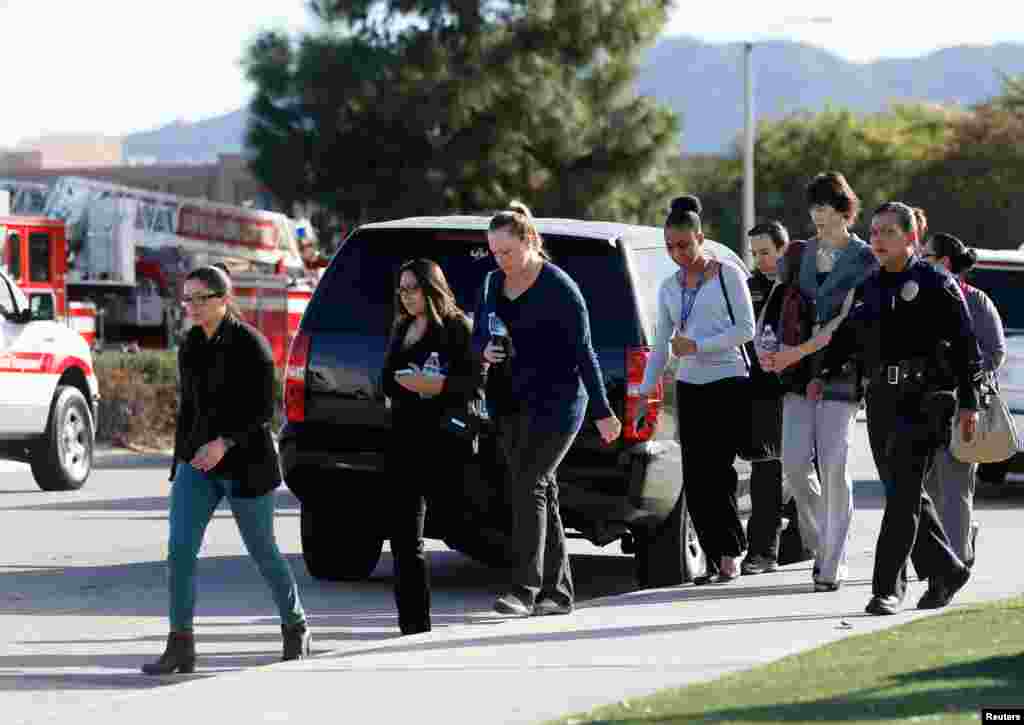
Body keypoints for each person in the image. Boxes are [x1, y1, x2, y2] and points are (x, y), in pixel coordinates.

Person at [143, 266, 309, 675]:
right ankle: (180, 644)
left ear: (224, 298)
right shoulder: (190, 344)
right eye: (188, 298)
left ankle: (295, 625)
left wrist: (225, 443)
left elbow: (262, 412)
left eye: (201, 297)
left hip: (245, 464)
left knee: (262, 550)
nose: (193, 306)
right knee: (180, 551)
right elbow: (189, 409)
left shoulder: (250, 344)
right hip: (197, 464)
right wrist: (181, 459)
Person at [819, 201, 980, 615]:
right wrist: (821, 373)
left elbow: (966, 346)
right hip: (882, 403)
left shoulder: (936, 283)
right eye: (874, 232)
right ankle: (947, 568)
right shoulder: (869, 286)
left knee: (902, 495)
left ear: (911, 238)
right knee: (903, 493)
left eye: (889, 232)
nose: (878, 239)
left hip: (927, 400)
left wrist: (969, 402)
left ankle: (887, 588)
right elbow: (847, 337)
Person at [474, 202, 621, 617]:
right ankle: (558, 594)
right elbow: (476, 335)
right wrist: (483, 348)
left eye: (507, 251)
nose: (499, 260)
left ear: (529, 241)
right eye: (494, 252)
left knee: (530, 485)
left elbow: (585, 352)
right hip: (509, 400)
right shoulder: (490, 284)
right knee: (542, 491)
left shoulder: (559, 286)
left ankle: (524, 589)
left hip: (558, 404)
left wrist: (603, 410)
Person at [761, 172, 879, 592]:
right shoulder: (797, 253)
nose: (818, 216)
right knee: (794, 465)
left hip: (843, 374)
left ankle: (831, 562)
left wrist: (798, 351)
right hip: (797, 377)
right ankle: (820, 540)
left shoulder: (866, 259)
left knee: (834, 464)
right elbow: (776, 309)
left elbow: (848, 322)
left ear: (844, 210)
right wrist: (768, 347)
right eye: (813, 208)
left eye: (825, 208)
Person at [636, 195, 756, 584]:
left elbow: (746, 330)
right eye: (670, 247)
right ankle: (713, 551)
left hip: (727, 380)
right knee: (696, 476)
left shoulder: (727, 275)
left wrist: (700, 345)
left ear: (700, 237)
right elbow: (659, 345)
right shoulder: (670, 286)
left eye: (684, 245)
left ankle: (730, 553)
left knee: (719, 472)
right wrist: (643, 391)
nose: (678, 253)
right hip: (690, 384)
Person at [380, 258, 482, 634]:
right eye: (401, 289)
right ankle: (412, 627)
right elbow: (387, 381)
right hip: (403, 443)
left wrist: (436, 386)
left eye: (413, 288)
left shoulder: (457, 328)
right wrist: (405, 383)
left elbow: (474, 383)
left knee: (463, 527)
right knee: (405, 540)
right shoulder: (402, 326)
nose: (405, 296)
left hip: (444, 444)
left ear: (431, 288)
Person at [921, 232, 1006, 568]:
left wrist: (963, 379)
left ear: (943, 262)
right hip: (924, 406)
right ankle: (942, 551)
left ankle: (955, 561)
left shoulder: (976, 300)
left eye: (926, 257)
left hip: (963, 407)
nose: (919, 262)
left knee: (955, 489)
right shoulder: (920, 296)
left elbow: (996, 353)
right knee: (928, 487)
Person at [742, 221, 789, 575]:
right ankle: (762, 552)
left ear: (782, 250)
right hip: (761, 393)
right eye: (755, 253)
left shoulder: (800, 287)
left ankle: (824, 547)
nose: (759, 260)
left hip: (801, 390)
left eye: (766, 252)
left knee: (810, 474)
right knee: (765, 473)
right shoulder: (748, 288)